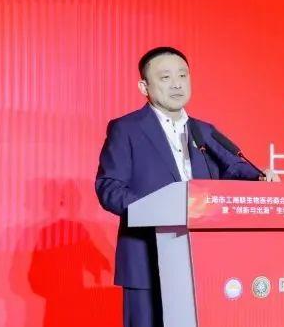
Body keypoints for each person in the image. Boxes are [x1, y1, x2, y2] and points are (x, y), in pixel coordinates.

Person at [94, 46, 272, 327]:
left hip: (203, 260)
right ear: (144, 86)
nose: (177, 84)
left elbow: (234, 167)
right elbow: (109, 187)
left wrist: (260, 179)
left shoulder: (204, 131)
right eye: (165, 77)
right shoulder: (126, 128)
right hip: (147, 257)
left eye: (183, 75)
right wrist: (156, 210)